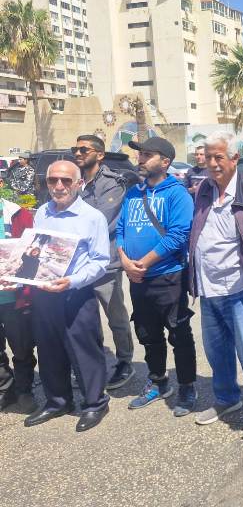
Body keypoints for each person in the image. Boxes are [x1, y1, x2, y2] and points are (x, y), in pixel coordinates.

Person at [188, 131, 243, 439]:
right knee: (216, 351)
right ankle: (227, 398)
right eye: (208, 157)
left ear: (235, 158)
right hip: (208, 286)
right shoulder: (204, 188)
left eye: (219, 157)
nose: (212, 163)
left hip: (240, 287)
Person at [20, 160, 111, 432]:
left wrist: (72, 281)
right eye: (53, 180)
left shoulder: (92, 217)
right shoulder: (42, 213)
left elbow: (100, 262)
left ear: (79, 183)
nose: (58, 186)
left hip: (75, 293)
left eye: (66, 180)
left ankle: (95, 403)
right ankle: (58, 401)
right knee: (49, 350)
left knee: (84, 350)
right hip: (44, 294)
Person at [116, 136, 197, 416]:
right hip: (138, 278)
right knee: (147, 334)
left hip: (168, 277)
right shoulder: (132, 193)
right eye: (140, 154)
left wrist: (144, 263)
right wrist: (125, 261)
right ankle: (158, 381)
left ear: (165, 162)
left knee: (178, 333)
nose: (140, 159)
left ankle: (187, 385)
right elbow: (120, 230)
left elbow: (178, 235)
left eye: (147, 155)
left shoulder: (177, 194)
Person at [73, 134, 135, 389]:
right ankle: (92, 364)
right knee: (84, 317)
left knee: (115, 314)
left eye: (84, 149)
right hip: (76, 264)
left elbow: (102, 220)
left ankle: (124, 361)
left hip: (104, 262)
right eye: (75, 149)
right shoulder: (72, 181)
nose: (78, 153)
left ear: (99, 154)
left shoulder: (112, 182)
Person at [0, 186, 36, 414]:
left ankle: (24, 390)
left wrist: (21, 274)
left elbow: (36, 255)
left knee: (22, 347)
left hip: (15, 297)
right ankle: (6, 389)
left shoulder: (19, 215)